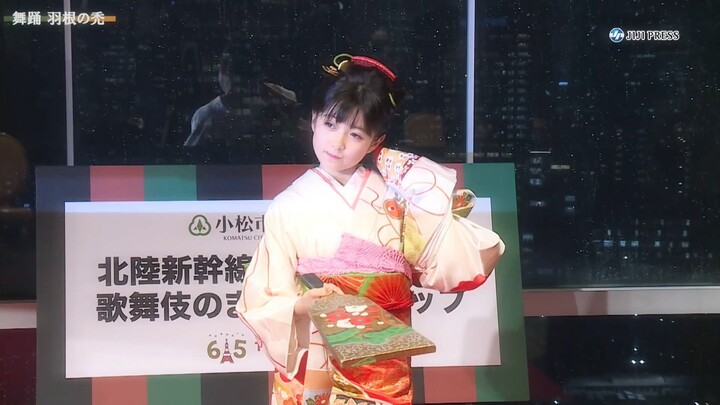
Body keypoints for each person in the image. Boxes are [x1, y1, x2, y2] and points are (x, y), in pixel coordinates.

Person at [236, 53, 505, 405]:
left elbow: (449, 262)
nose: (338, 143)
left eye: (356, 133)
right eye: (331, 125)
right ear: (313, 120)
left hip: (384, 353)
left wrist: (433, 208)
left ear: (375, 142)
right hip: (317, 348)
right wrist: (299, 307)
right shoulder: (288, 205)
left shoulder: (397, 195)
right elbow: (264, 293)